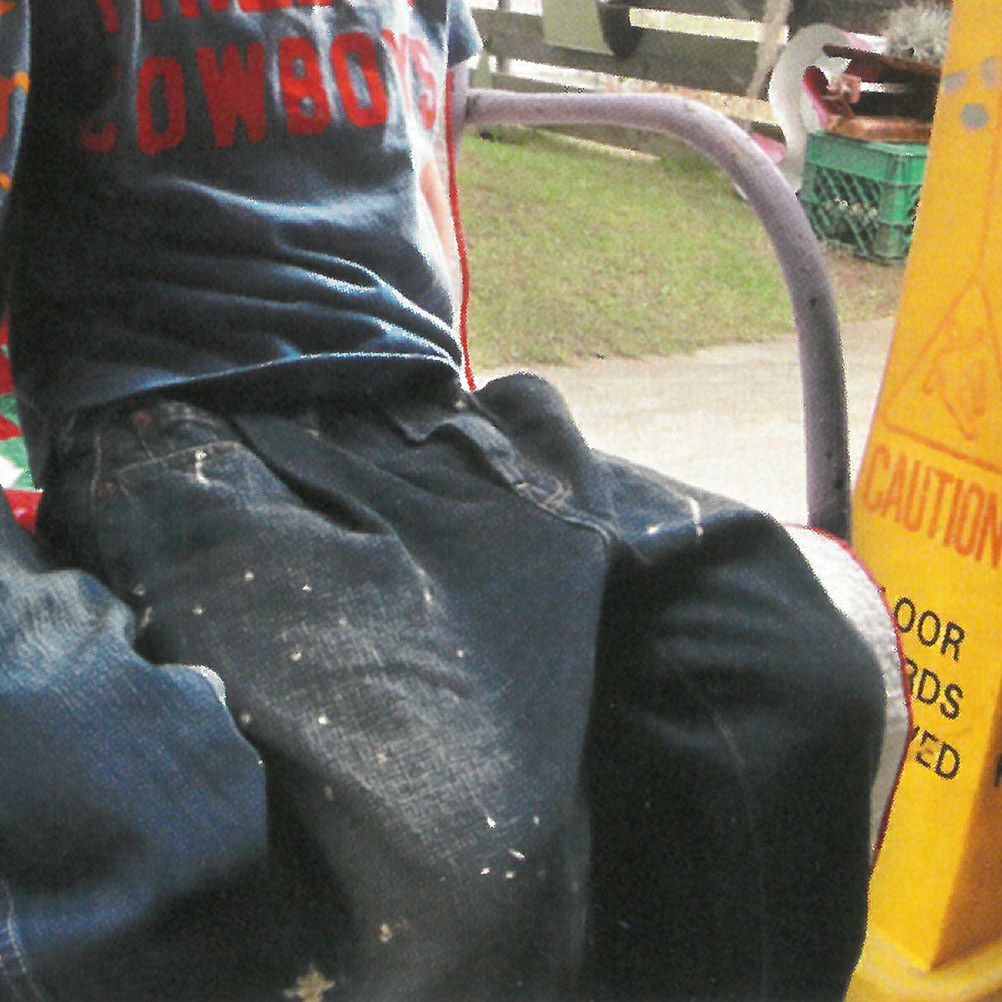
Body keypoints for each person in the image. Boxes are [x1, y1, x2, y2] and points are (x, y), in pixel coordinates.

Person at [0, 1, 904, 999]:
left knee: (797, 685)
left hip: (425, 412)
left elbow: (428, 155)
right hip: (180, 422)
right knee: (461, 858)